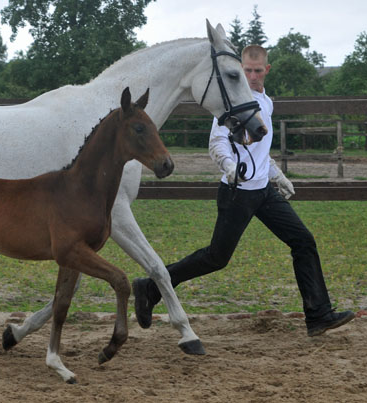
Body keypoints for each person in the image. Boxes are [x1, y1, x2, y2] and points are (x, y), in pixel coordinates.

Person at [132, 44, 355, 337]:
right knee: (216, 257)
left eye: (257, 70)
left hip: (264, 191)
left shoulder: (266, 102)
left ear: (266, 70)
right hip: (237, 192)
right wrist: (228, 167)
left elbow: (262, 152)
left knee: (303, 241)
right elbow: (217, 144)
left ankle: (319, 315)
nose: (251, 76)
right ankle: (150, 286)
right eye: (246, 70)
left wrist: (278, 176)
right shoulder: (233, 102)